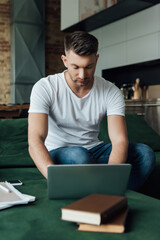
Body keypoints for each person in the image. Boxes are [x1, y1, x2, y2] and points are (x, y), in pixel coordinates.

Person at [28, 31, 155, 191]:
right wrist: (55, 180)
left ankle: (108, 191)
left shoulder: (111, 91)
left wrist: (112, 178)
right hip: (60, 153)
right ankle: (99, 188)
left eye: (89, 66)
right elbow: (35, 141)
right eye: (76, 67)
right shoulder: (45, 87)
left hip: (94, 150)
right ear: (65, 60)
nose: (82, 75)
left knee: (145, 154)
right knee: (79, 156)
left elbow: (119, 141)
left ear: (96, 59)